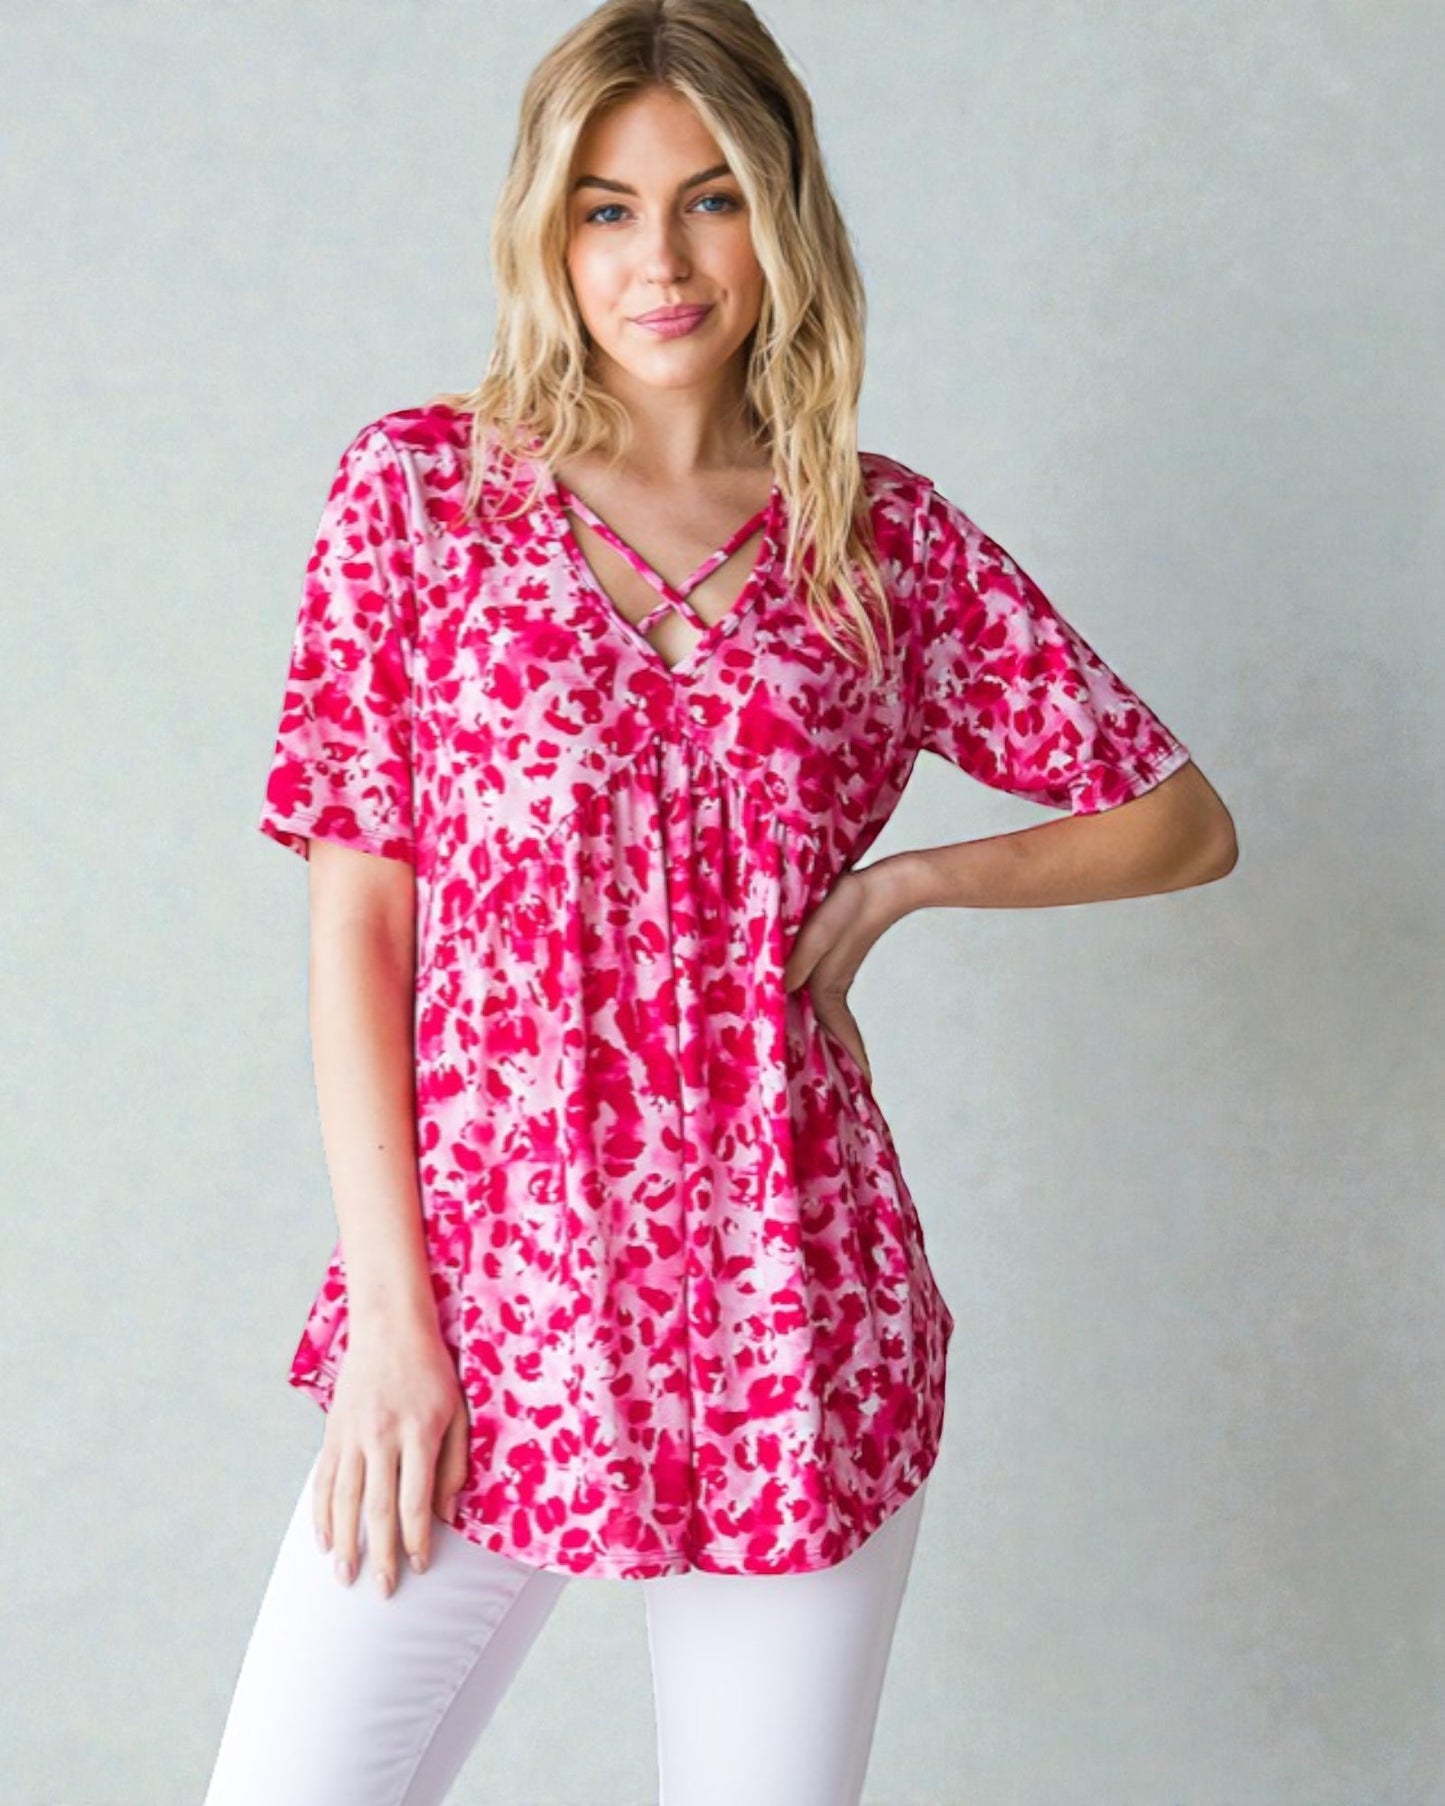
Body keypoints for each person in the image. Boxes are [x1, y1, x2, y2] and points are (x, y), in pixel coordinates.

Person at [205, 2, 1238, 1801]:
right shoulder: (423, 502)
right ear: (548, 229)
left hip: (795, 1307)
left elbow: (1179, 819)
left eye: (708, 200)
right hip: (493, 1293)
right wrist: (393, 1323)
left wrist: (910, 880)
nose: (658, 261)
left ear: (782, 215)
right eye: (605, 208)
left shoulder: (874, 540)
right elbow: (360, 927)